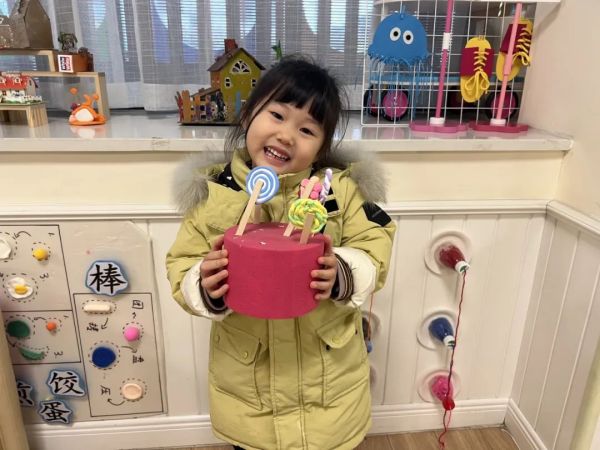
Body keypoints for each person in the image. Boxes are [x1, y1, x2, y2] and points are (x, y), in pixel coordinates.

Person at [166, 55, 396, 450]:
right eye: (277, 115)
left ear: (322, 147)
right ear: (248, 115)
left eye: (306, 129)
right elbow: (181, 263)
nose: (287, 135)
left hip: (329, 390)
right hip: (249, 395)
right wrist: (203, 284)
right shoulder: (212, 195)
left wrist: (342, 272)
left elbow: (375, 245)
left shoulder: (340, 192)